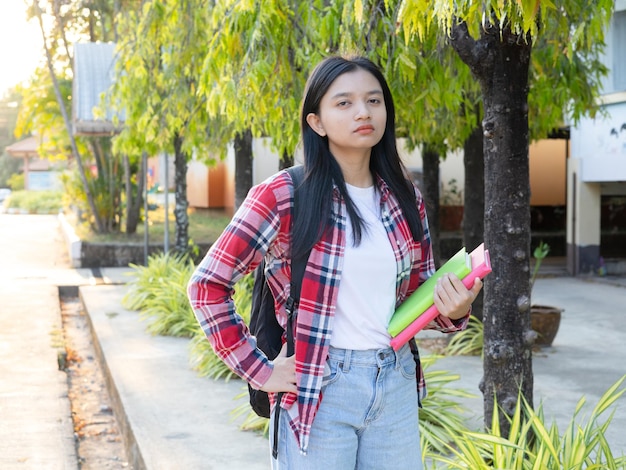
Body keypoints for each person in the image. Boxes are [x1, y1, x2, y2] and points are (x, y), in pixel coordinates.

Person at [187, 55, 482, 469]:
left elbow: (418, 295)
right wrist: (261, 370)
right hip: (317, 388)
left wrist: (455, 307)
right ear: (317, 122)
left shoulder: (404, 198)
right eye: (344, 103)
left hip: (393, 382)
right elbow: (207, 286)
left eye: (373, 101)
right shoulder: (282, 195)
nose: (363, 112)